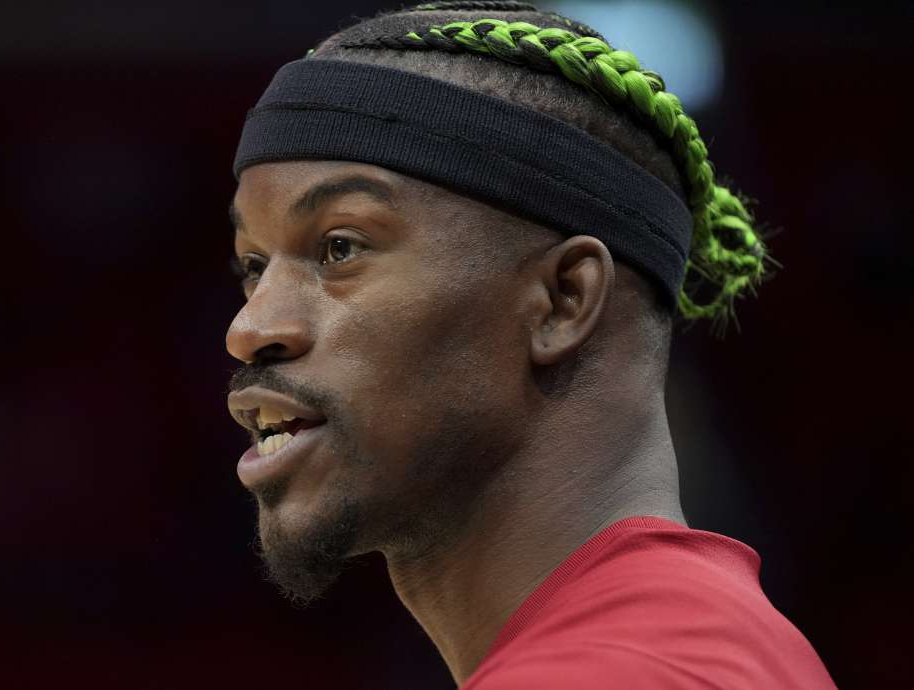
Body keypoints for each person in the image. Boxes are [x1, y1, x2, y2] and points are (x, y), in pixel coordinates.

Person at [223, 2, 835, 687]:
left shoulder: (619, 672)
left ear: (562, 301)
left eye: (340, 248)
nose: (249, 328)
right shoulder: (692, 643)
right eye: (253, 266)